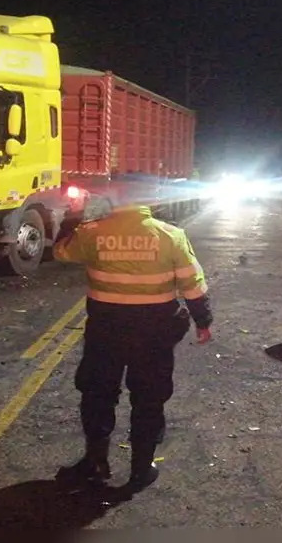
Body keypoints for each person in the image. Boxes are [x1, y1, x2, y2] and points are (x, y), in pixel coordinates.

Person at [53, 186, 214, 491]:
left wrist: (72, 215)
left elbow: (61, 250)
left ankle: (96, 462)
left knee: (98, 393)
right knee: (149, 397)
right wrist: (202, 321)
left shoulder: (92, 233)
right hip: (154, 334)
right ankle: (141, 468)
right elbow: (193, 284)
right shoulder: (170, 235)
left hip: (105, 332)